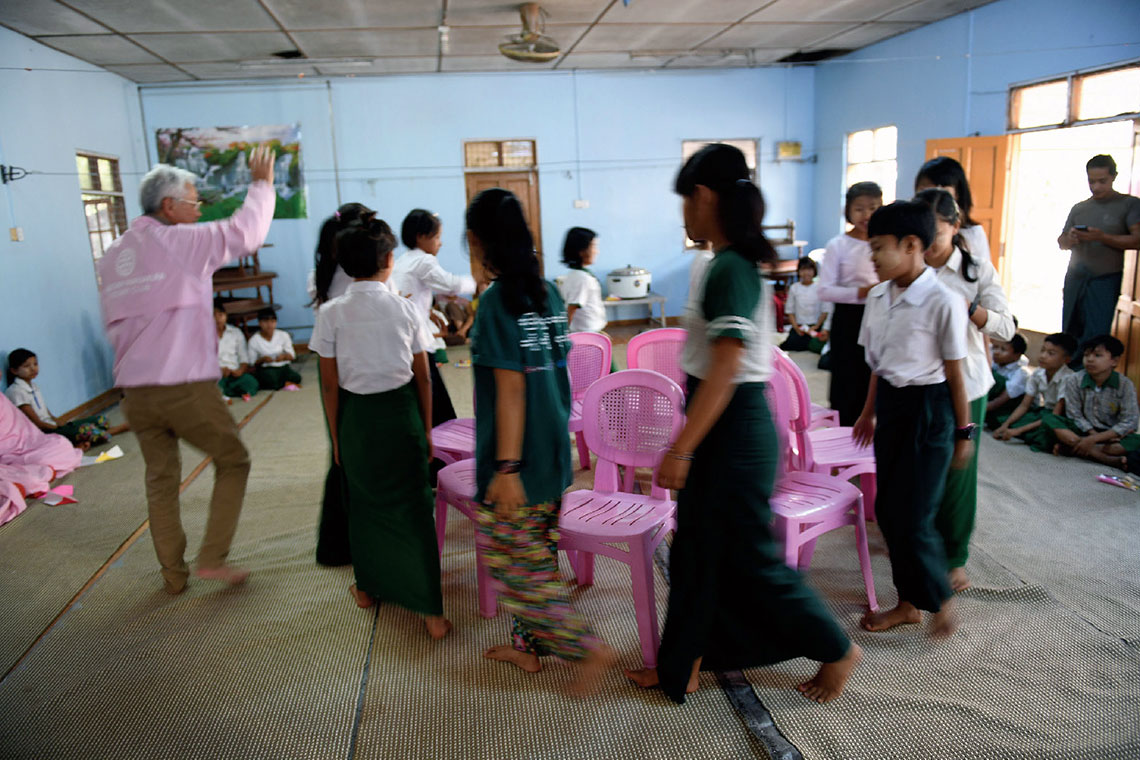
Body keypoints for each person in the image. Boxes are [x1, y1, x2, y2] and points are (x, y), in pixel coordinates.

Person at [626, 144, 860, 705]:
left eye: (685, 199)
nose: (683, 212)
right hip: (723, 422)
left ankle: (836, 647)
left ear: (704, 197)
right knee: (696, 554)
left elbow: (728, 366)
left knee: (747, 558)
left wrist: (682, 449)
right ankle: (682, 662)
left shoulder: (729, 267)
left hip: (733, 427)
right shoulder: (723, 262)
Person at [97, 145, 276, 593]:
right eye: (194, 203)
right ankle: (212, 558)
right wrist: (261, 183)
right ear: (169, 206)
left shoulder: (112, 255)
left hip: (134, 394)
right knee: (234, 459)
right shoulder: (179, 241)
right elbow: (244, 232)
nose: (198, 211)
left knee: (160, 480)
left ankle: (173, 575)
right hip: (183, 387)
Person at [465, 187, 613, 696]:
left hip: (519, 459)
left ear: (479, 242)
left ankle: (584, 649)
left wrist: (506, 470)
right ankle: (528, 650)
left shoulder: (495, 303)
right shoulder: (547, 292)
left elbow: (509, 388)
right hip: (553, 448)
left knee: (514, 564)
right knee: (538, 551)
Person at [309, 217, 450, 639]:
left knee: (365, 508)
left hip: (359, 422)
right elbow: (423, 378)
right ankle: (432, 613)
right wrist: (425, 430)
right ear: (389, 260)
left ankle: (367, 588)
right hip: (401, 416)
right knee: (414, 509)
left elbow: (330, 385)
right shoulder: (405, 308)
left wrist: (337, 437)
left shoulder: (331, 313)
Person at [852, 200, 974, 638]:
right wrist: (869, 412)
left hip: (930, 410)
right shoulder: (878, 297)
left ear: (911, 244)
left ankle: (937, 601)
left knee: (915, 515)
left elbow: (956, 373)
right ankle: (908, 604)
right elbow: (877, 364)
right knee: (887, 508)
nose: (873, 257)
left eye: (879, 248)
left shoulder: (943, 300)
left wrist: (964, 432)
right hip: (892, 406)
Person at [913, 188, 1015, 594]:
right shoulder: (909, 264)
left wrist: (970, 309)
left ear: (956, 229)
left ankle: (954, 558)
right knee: (917, 466)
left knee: (958, 470)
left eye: (934, 233)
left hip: (967, 383)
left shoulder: (975, 271)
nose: (922, 243)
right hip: (918, 382)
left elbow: (1007, 327)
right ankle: (919, 541)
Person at [306, 203, 376, 568]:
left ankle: (338, 544)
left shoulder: (319, 276)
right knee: (356, 455)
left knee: (341, 453)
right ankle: (360, 540)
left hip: (334, 370)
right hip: (361, 371)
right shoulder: (360, 278)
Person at [392, 208, 476, 427]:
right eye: (437, 237)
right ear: (421, 237)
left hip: (402, 340)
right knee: (435, 401)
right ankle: (441, 450)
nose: (440, 243)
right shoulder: (424, 261)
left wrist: (429, 311)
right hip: (416, 342)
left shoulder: (403, 261)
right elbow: (451, 284)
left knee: (422, 397)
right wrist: (478, 283)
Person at [1057, 155, 1140, 360]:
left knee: (1096, 337)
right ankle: (1070, 381)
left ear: (1113, 177)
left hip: (1105, 279)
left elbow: (1137, 240)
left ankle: (1092, 381)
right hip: (1076, 278)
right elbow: (1061, 242)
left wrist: (1101, 237)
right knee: (1069, 331)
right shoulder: (1080, 208)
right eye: (1091, 181)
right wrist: (1071, 238)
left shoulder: (1128, 205)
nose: (1096, 187)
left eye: (1102, 181)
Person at [818, 181, 883, 425]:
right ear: (848, 211)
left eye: (873, 208)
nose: (867, 215)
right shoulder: (838, 245)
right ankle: (845, 429)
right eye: (860, 208)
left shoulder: (887, 241)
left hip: (880, 315)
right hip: (848, 318)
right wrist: (862, 292)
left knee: (876, 375)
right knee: (848, 377)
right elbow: (824, 290)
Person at [1039, 335, 1140, 469]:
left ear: (1114, 361)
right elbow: (1074, 414)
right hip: (1082, 431)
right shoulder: (1073, 380)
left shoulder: (1125, 385)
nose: (1090, 360)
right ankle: (1104, 458)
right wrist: (1091, 435)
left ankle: (1072, 449)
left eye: (1097, 355)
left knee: (1134, 442)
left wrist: (1095, 439)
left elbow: (1130, 421)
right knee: (1050, 419)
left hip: (1111, 435)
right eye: (1086, 355)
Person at [5, 348, 127, 450]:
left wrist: (60, 423)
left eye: (35, 364)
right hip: (43, 433)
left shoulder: (34, 386)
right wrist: (59, 428)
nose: (33, 369)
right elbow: (38, 424)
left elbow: (47, 413)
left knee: (101, 420)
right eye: (27, 366)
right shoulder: (16, 391)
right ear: (14, 370)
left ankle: (76, 441)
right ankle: (116, 430)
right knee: (86, 430)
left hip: (52, 425)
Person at [992, 333, 1077, 447]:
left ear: (1066, 359)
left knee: (1046, 429)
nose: (1043, 356)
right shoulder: (1038, 373)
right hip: (1043, 413)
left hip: (1058, 417)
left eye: (1050, 353)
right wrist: (1005, 426)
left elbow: (1055, 415)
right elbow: (1024, 405)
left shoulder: (1068, 379)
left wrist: (1017, 431)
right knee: (1002, 420)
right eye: (1042, 350)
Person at [915, 156, 992, 264]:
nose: (933, 198)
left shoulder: (973, 234)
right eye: (925, 191)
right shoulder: (910, 229)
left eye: (943, 192)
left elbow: (980, 273)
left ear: (958, 195)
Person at [556, 227, 607, 333]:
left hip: (592, 331)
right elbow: (571, 308)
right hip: (587, 333)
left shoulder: (577, 275)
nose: (597, 251)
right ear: (581, 251)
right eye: (593, 246)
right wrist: (564, 335)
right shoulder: (581, 278)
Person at [780, 257, 831, 353]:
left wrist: (816, 326)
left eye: (809, 269)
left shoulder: (820, 287)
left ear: (814, 271)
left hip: (815, 327)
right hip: (800, 327)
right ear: (799, 272)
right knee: (789, 344)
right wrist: (796, 327)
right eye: (803, 269)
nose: (806, 273)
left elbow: (825, 311)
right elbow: (790, 311)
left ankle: (809, 343)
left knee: (818, 342)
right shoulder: (794, 288)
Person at [213, 301, 259, 401]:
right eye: (213, 316)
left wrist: (241, 370)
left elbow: (243, 357)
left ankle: (228, 392)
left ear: (226, 316)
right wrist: (218, 370)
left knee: (252, 383)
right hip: (216, 375)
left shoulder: (236, 332)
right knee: (213, 387)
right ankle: (228, 392)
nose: (217, 319)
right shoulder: (204, 336)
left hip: (234, 372)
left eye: (220, 315)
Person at [247, 308, 301, 390]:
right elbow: (252, 363)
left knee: (297, 377)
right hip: (266, 368)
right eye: (265, 321)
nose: (269, 325)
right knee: (271, 379)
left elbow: (292, 356)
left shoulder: (283, 335)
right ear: (260, 323)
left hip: (282, 366)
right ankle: (283, 383)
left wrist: (283, 357)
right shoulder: (254, 340)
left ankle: (282, 383)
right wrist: (262, 359)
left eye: (272, 321)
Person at [985, 335, 1029, 428]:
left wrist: (976, 410)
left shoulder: (1021, 373)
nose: (996, 352)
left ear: (1017, 355)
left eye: (1003, 350)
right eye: (995, 347)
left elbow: (1000, 400)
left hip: (1006, 407)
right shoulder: (996, 363)